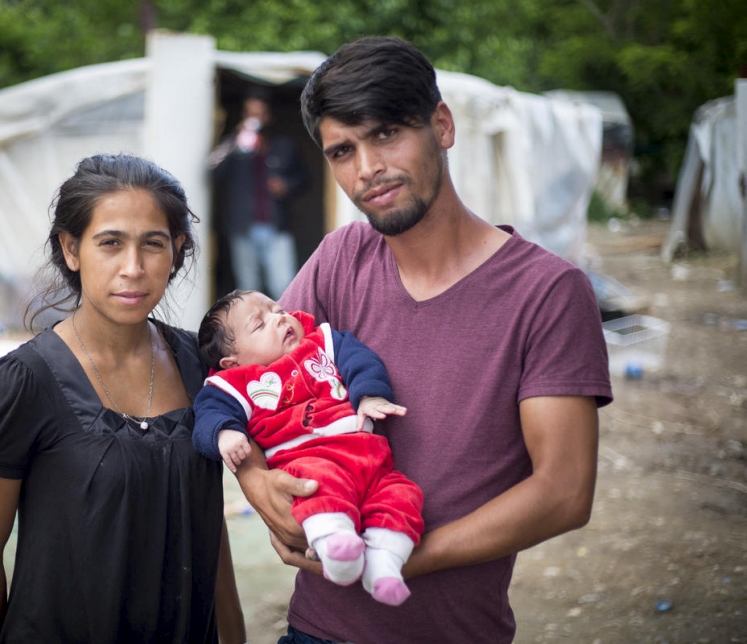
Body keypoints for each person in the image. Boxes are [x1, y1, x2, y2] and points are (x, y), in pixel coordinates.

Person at [233, 37, 614, 643]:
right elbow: (247, 381)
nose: (367, 169)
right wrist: (258, 484)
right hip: (316, 629)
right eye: (342, 150)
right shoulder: (340, 259)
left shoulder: (547, 292)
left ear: (442, 125)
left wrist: (407, 556)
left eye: (385, 134)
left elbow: (564, 491)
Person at [0, 154, 246, 643]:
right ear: (71, 249)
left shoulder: (203, 366)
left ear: (176, 250)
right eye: (110, 243)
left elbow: (208, 527)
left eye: (152, 244)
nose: (132, 268)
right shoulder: (23, 383)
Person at [192, 290, 424, 606]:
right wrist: (225, 434)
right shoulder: (234, 383)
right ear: (232, 362)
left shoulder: (322, 341)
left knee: (402, 494)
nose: (279, 318)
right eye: (260, 324)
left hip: (369, 457)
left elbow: (360, 360)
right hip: (308, 459)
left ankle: (385, 565)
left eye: (278, 309)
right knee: (316, 489)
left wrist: (369, 395)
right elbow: (207, 415)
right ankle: (337, 549)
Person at [209, 88, 307, 298]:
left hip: (276, 226)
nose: (255, 119)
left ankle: (287, 329)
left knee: (284, 285)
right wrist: (235, 138)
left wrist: (286, 185)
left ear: (268, 116)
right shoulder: (235, 146)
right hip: (242, 226)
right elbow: (213, 172)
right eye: (250, 114)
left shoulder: (283, 146)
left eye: (259, 114)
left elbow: (304, 180)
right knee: (248, 288)